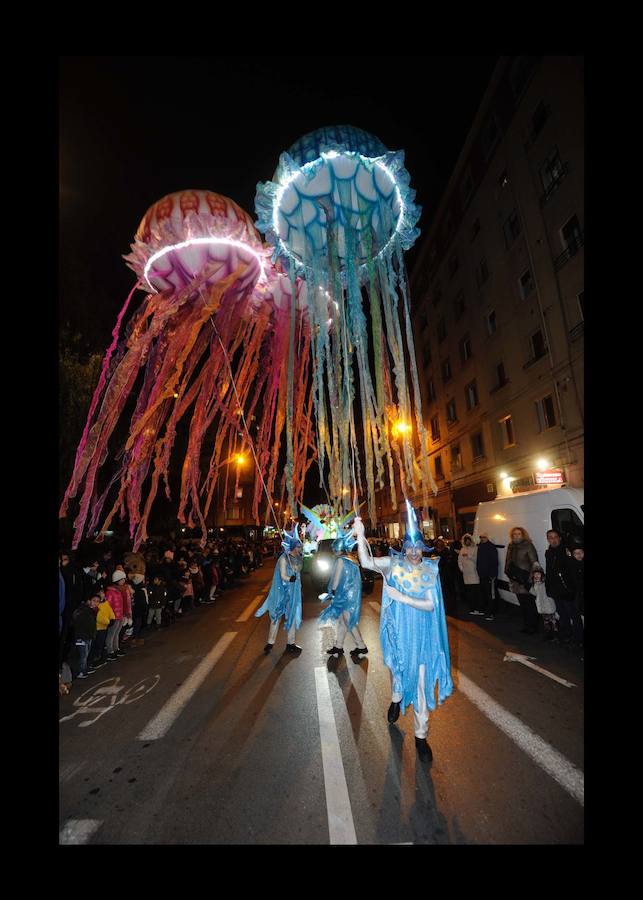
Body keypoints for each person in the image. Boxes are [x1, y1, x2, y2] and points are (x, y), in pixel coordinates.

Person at [354, 501, 453, 761]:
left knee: (421, 687)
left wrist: (402, 597)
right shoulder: (392, 564)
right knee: (397, 672)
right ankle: (396, 698)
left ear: (423, 548)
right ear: (403, 548)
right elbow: (365, 562)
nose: (412, 552)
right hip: (398, 635)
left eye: (417, 547)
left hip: (421, 639)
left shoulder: (431, 571)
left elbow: (431, 605)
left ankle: (421, 736)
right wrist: (360, 533)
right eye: (408, 547)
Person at [318, 528, 368, 662]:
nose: (333, 551)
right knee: (343, 621)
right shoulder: (352, 560)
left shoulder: (341, 561)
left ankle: (361, 645)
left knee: (348, 620)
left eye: (334, 549)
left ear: (337, 549)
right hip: (351, 595)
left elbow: (337, 577)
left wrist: (332, 591)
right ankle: (338, 646)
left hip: (344, 596)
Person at [255, 527, 303, 655]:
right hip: (282, 592)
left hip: (293, 592)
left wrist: (297, 586)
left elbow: (298, 573)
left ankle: (291, 643)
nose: (299, 549)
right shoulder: (283, 559)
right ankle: (270, 643)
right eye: (297, 547)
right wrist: (290, 578)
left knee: (292, 617)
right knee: (276, 617)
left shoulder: (298, 558)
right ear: (293, 547)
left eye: (300, 546)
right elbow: (282, 575)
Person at [545, 529, 583, 646]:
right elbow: (549, 571)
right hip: (556, 590)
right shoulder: (549, 552)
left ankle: (579, 639)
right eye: (550, 537)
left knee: (574, 615)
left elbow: (574, 571)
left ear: (560, 538)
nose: (553, 539)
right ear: (548, 539)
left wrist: (571, 589)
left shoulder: (566, 551)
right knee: (562, 614)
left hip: (567, 591)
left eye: (555, 537)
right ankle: (566, 635)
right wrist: (548, 587)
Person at [504, 527, 539, 634]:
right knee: (523, 605)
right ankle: (526, 625)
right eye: (514, 534)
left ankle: (533, 626)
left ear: (523, 535)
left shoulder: (528, 545)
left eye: (519, 534)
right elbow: (507, 561)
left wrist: (530, 580)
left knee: (530, 605)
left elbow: (534, 563)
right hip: (515, 581)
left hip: (525, 580)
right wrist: (507, 573)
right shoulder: (511, 546)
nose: (516, 536)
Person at [72, 594, 99, 679]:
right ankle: (81, 671)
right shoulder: (84, 610)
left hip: (88, 636)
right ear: (89, 600)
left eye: (98, 601)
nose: (95, 603)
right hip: (82, 636)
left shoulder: (92, 611)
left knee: (86, 653)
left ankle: (84, 668)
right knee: (83, 654)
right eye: (94, 600)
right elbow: (80, 624)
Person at [529, 563, 557, 640]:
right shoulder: (535, 584)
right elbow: (535, 594)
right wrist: (531, 588)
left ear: (542, 575)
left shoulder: (544, 583)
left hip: (548, 605)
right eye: (535, 574)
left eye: (538, 574)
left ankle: (555, 634)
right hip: (542, 606)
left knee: (552, 621)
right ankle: (548, 634)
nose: (537, 576)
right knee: (546, 621)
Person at [105, 570, 128, 659]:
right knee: (111, 634)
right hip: (114, 617)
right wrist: (110, 617)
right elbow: (108, 605)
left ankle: (116, 648)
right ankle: (110, 651)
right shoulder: (111, 592)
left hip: (120, 615)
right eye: (122, 579)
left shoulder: (119, 590)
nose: (124, 581)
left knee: (117, 633)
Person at [458, 534, 483, 615]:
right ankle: (472, 608)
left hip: (474, 573)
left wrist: (469, 556)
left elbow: (477, 560)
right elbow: (459, 560)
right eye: (466, 541)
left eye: (468, 540)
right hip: (466, 574)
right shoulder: (462, 549)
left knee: (476, 592)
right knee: (469, 593)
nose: (467, 542)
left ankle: (479, 609)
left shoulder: (475, 549)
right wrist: (462, 568)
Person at [476, 533, 499, 620]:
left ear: (487, 537)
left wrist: (492, 575)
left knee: (491, 595)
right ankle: (488, 611)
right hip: (482, 575)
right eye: (481, 537)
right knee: (485, 594)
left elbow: (494, 562)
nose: (482, 538)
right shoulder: (481, 546)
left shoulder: (491, 547)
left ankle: (492, 613)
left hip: (490, 576)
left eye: (484, 537)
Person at [90, 591, 114, 666]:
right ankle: (96, 659)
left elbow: (110, 612)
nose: (102, 594)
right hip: (98, 628)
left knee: (101, 643)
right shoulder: (98, 606)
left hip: (104, 628)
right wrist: (108, 621)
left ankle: (99, 658)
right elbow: (100, 618)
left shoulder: (105, 604)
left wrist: (112, 618)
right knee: (97, 644)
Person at [129, 573, 149, 645]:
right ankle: (134, 638)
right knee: (137, 624)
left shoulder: (133, 590)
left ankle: (135, 637)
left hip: (134, 610)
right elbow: (143, 602)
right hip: (138, 610)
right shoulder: (140, 591)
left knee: (137, 624)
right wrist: (145, 609)